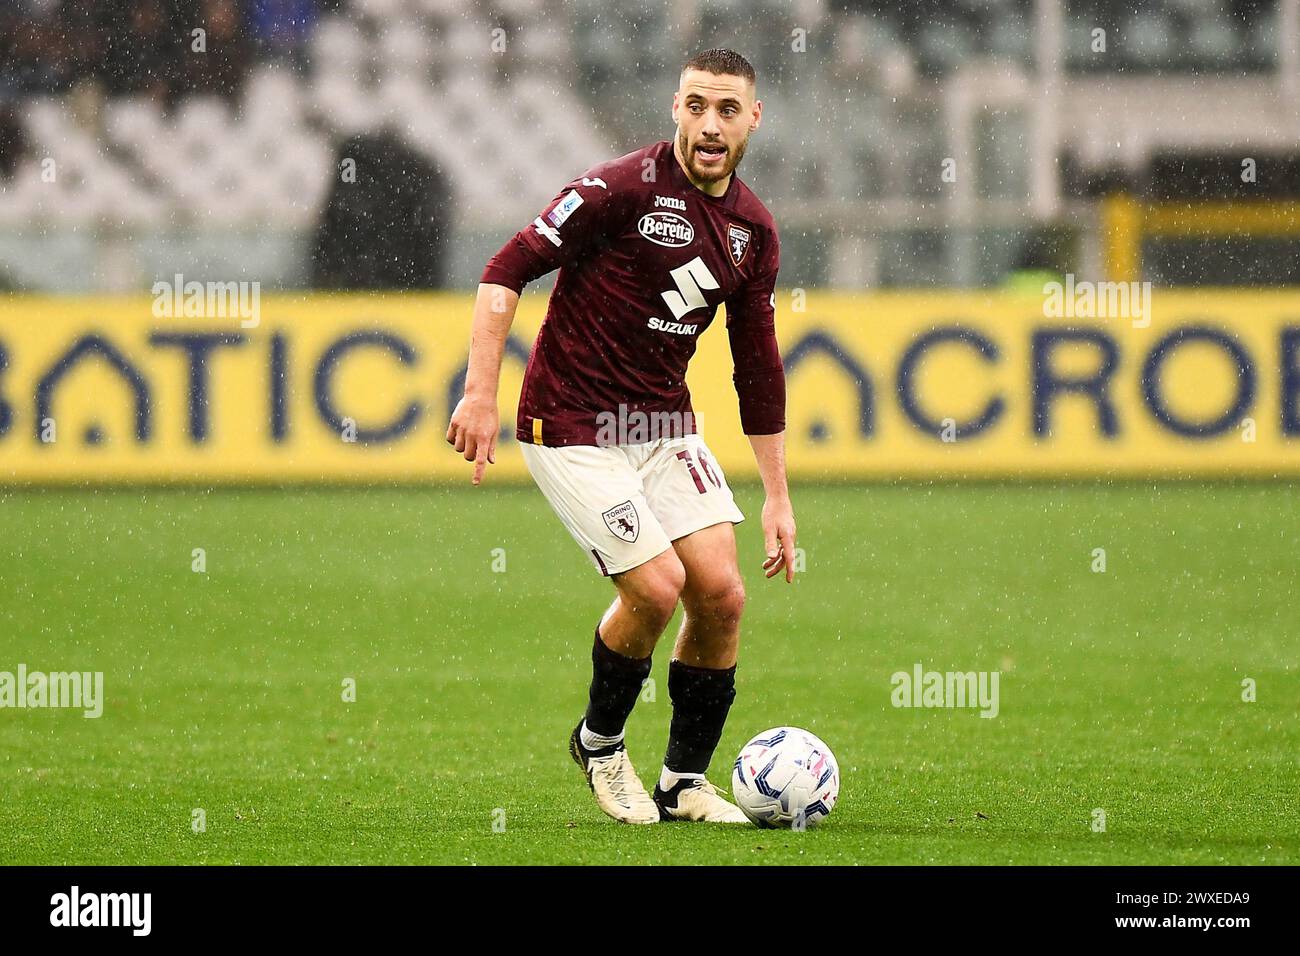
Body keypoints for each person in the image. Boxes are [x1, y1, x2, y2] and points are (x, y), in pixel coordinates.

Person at [446, 49, 796, 824]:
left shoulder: (753, 233)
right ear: (675, 108)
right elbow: (506, 268)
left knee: (722, 594)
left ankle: (683, 781)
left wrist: (777, 497)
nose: (711, 123)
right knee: (657, 587)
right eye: (697, 105)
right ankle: (601, 746)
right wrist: (479, 393)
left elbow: (758, 370)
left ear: (753, 119)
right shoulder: (617, 189)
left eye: (728, 109)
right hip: (570, 422)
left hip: (661, 424)